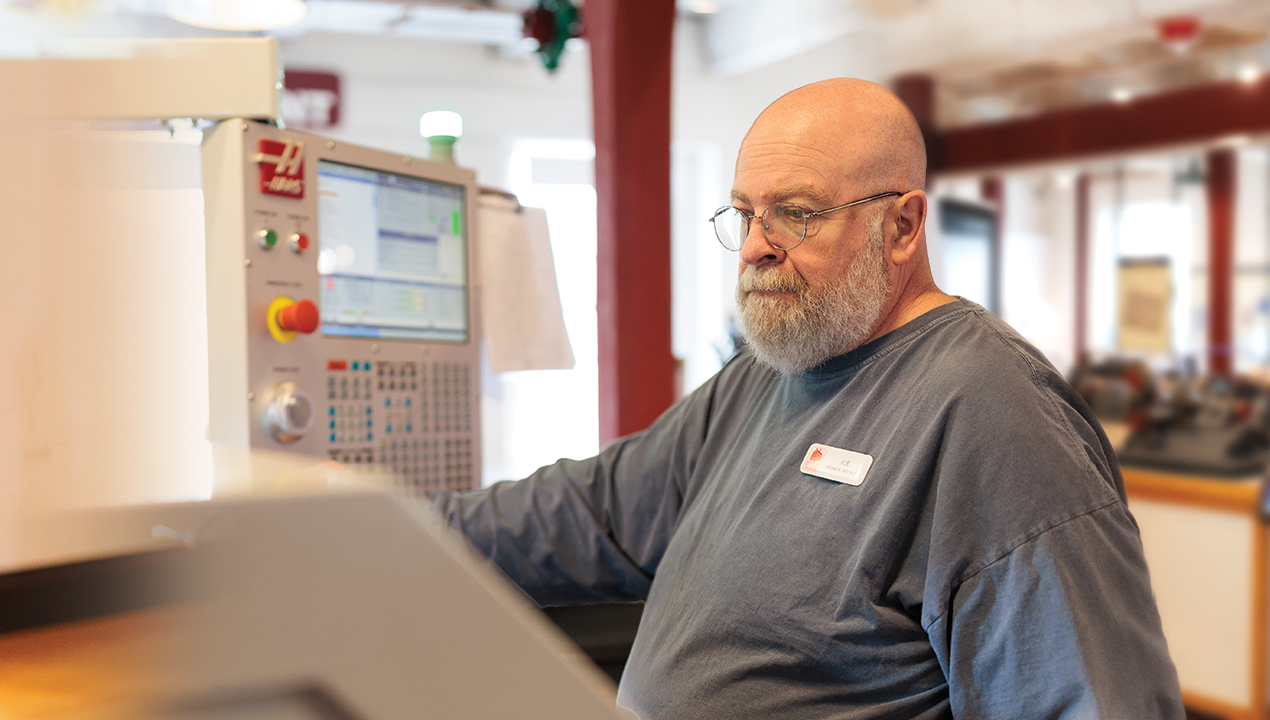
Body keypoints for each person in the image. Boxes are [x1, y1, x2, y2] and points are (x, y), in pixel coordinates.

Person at [436, 78, 1179, 718]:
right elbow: (590, 514)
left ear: (903, 227)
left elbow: (1094, 702)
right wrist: (394, 521)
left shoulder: (993, 413)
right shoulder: (767, 376)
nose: (756, 246)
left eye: (797, 213)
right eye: (745, 213)